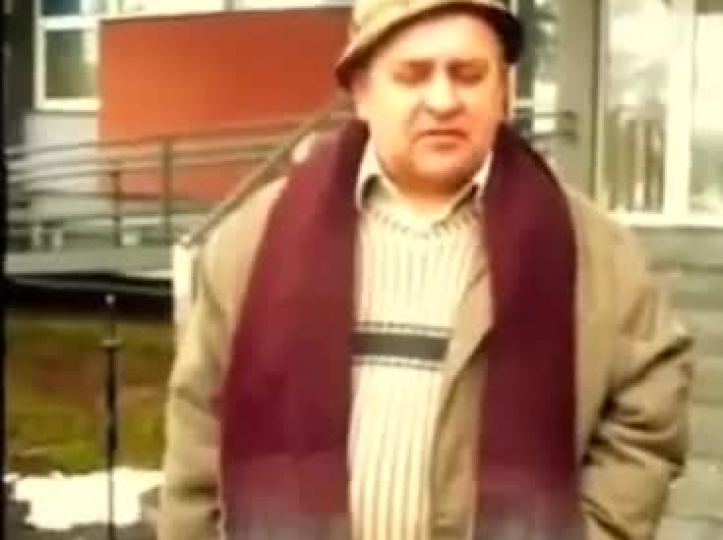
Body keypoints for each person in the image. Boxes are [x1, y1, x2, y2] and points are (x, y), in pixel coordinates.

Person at [158, 1, 694, 539]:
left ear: (504, 92)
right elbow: (198, 432)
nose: (442, 100)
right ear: (362, 91)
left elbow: (647, 414)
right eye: (412, 75)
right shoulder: (255, 241)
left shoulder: (594, 251)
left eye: (468, 74)